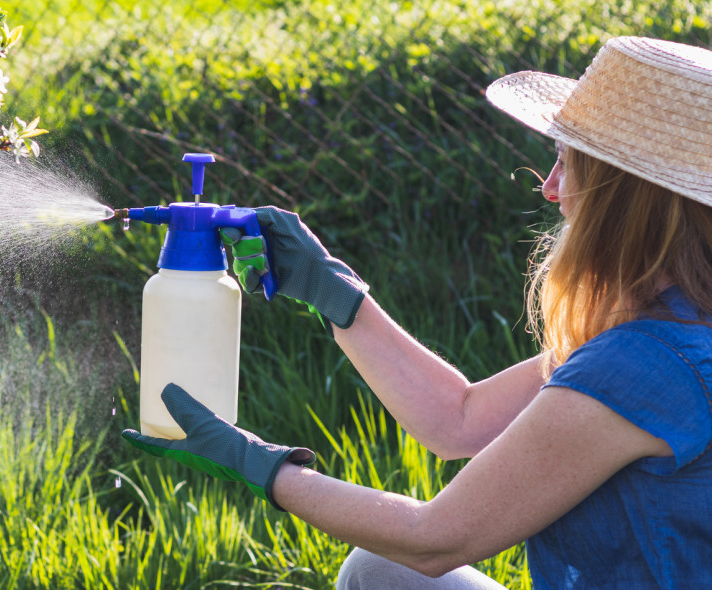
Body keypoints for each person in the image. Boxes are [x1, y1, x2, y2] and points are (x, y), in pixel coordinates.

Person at [121, 35, 712, 589]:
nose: (551, 187)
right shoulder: (673, 324)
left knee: (395, 563)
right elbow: (460, 420)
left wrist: (259, 465)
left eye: (567, 160)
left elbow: (432, 540)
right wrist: (336, 294)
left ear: (624, 198)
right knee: (377, 571)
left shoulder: (642, 364)